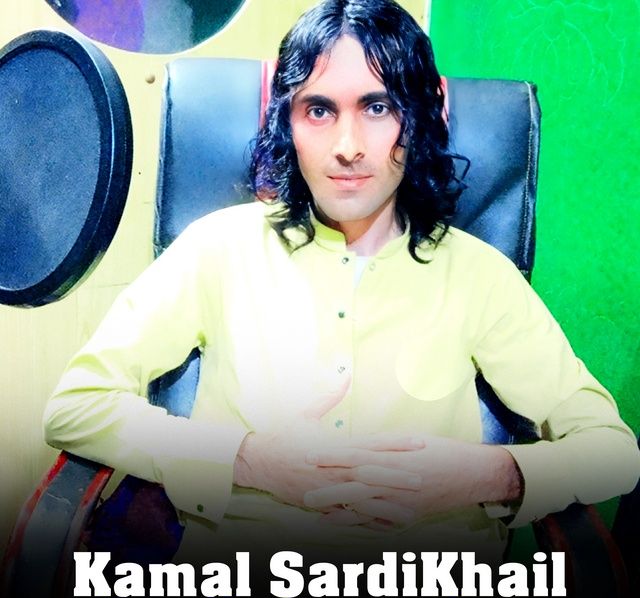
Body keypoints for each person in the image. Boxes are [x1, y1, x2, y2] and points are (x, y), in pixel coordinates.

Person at [44, 0, 639, 562]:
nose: (347, 147)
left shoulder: (479, 274)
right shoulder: (217, 248)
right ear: (288, 123)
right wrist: (243, 460)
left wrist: (489, 476)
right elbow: (75, 406)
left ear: (418, 118)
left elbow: (613, 453)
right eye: (319, 110)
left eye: (377, 108)